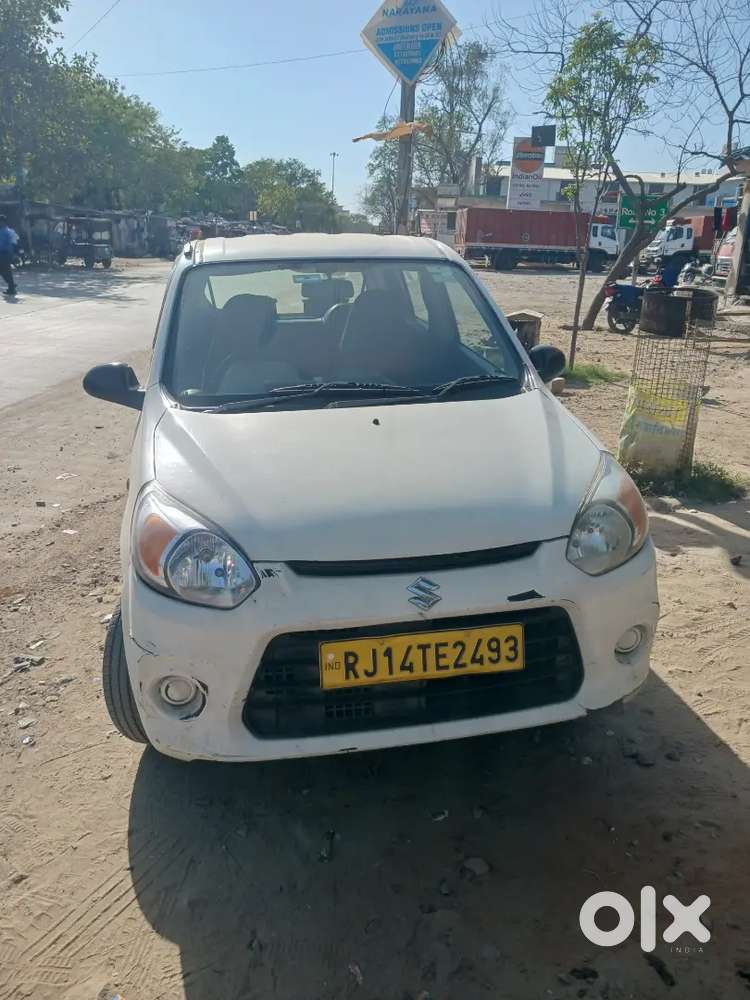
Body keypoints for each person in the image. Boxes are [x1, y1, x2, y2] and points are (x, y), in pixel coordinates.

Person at [0, 216, 19, 296]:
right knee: (4, 271)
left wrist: (12, 254)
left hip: (5, 253)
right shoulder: (3, 231)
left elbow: (12, 243)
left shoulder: (7, 231)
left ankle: (12, 287)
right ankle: (11, 286)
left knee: (5, 270)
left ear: (3, 222)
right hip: (3, 253)